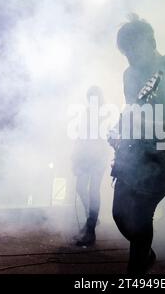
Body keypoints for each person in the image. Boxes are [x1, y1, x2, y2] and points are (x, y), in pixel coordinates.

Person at [110, 15, 165, 274]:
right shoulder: (129, 75)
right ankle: (145, 254)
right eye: (126, 53)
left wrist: (148, 131)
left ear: (151, 42)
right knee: (119, 215)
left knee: (140, 212)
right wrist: (119, 130)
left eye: (134, 50)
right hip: (135, 152)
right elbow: (130, 109)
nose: (130, 58)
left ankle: (135, 272)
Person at [72, 86, 111, 246]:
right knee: (80, 187)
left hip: (98, 157)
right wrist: (76, 157)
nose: (91, 100)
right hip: (86, 156)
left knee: (93, 190)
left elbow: (106, 135)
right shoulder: (87, 112)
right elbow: (81, 135)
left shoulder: (105, 113)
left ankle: (91, 229)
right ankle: (91, 219)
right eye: (89, 98)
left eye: (93, 97)